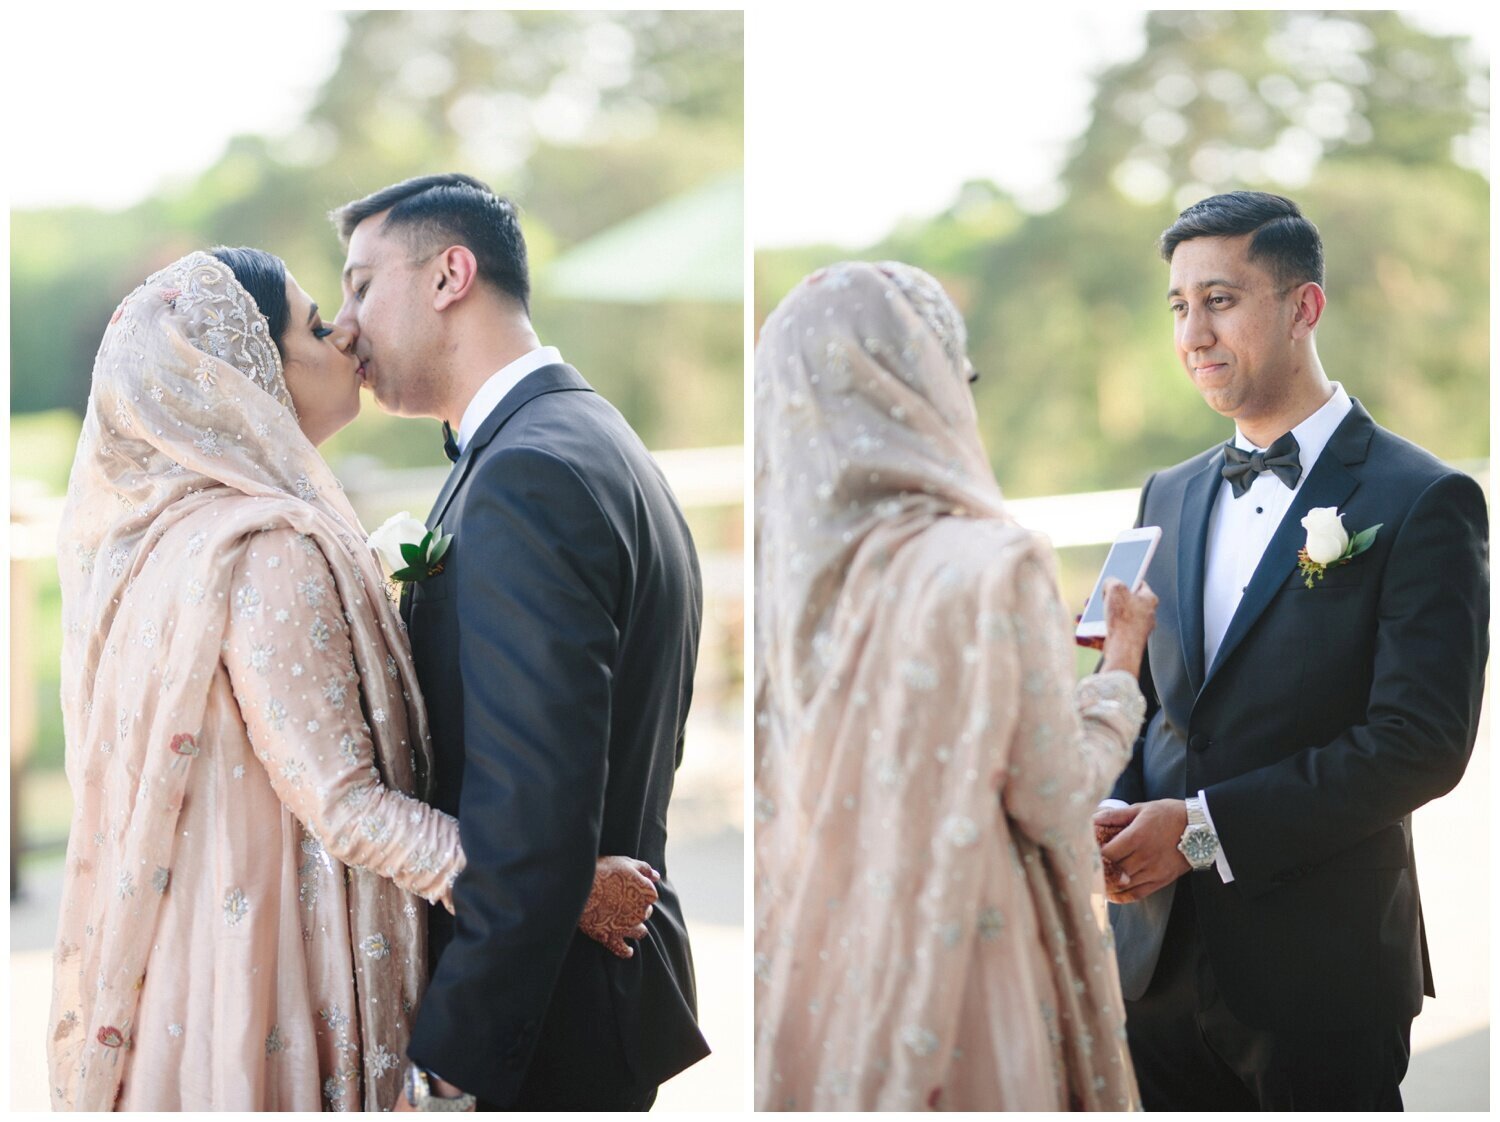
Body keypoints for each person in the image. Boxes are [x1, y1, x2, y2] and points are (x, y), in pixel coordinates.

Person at [46, 247, 657, 1111]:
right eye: (316, 325)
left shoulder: (171, 539)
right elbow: (347, 807)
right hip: (281, 972)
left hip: (202, 961)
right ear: (247, 373)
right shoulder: (267, 548)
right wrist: (563, 890)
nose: (347, 336)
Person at [1094, 191, 1489, 1110]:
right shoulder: (1168, 492)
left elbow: (1421, 744)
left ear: (1304, 307)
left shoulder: (1423, 498)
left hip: (1320, 976)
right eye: (1179, 306)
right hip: (1149, 969)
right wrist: (1105, 810)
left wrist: (1196, 834)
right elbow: (1139, 695)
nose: (1193, 332)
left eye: (1221, 300)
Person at [328, 173, 710, 1111]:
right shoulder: (591, 438)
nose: (344, 325)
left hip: (545, 1024)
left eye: (362, 285)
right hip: (586, 995)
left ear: (450, 275)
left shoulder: (527, 473)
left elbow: (532, 805)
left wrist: (452, 1064)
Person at [753, 260, 1156, 1110]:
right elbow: (1053, 800)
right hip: (967, 961)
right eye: (958, 375)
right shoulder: (986, 565)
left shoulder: (775, 583)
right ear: (921, 385)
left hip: (823, 967)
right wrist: (1118, 673)